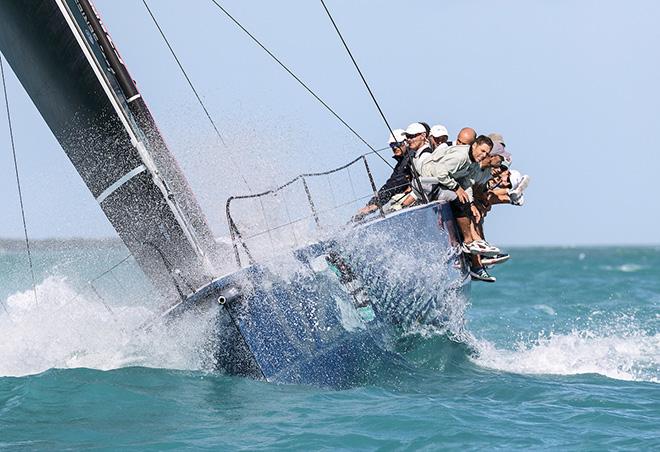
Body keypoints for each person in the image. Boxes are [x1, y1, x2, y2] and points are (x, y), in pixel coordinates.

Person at [419, 135, 497, 282]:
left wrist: (471, 203)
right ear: (474, 146)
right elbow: (440, 172)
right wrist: (456, 188)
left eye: (487, 153)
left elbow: (466, 183)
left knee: (464, 202)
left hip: (440, 183)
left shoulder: (473, 161)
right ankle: (467, 242)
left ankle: (470, 245)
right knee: (458, 200)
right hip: (427, 182)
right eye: (482, 151)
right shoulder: (461, 157)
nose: (483, 155)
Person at [354, 128, 413, 218]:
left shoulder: (410, 158)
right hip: (402, 196)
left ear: (406, 142)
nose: (394, 148)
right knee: (383, 211)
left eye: (397, 144)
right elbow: (391, 183)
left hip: (414, 198)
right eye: (391, 145)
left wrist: (375, 204)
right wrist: (372, 204)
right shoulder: (401, 163)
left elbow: (396, 183)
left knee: (388, 210)